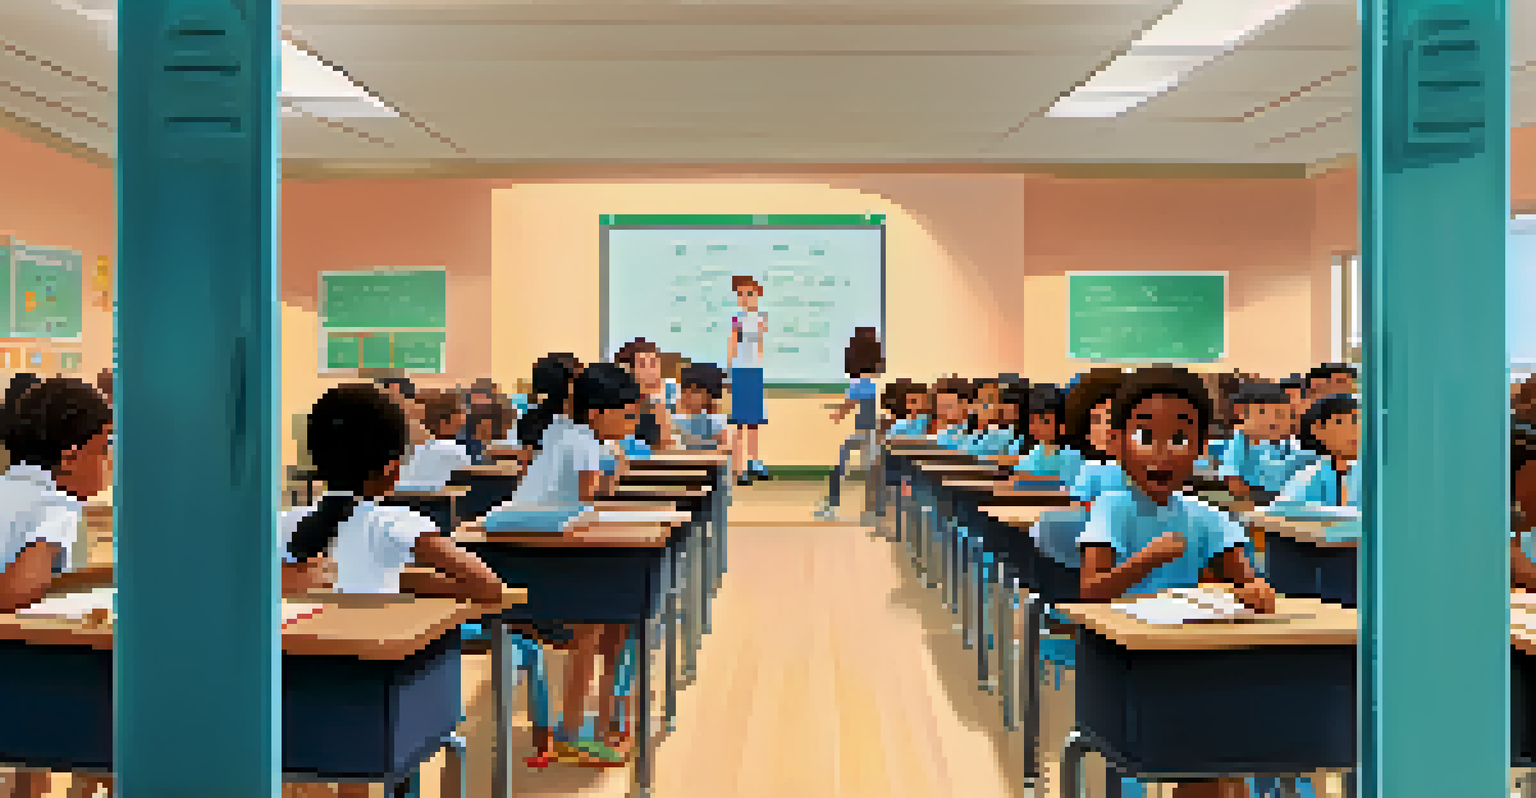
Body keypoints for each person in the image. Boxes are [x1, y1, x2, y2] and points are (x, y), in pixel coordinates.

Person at [279, 384, 507, 795]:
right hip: (368, 699)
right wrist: (411, 582)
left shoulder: (284, 523)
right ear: (392, 468)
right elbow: (487, 587)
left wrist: (378, 578)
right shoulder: (397, 522)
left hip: (284, 707)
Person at [1076, 366, 1274, 798]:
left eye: (1180, 440)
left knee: (1226, 741)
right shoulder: (1111, 507)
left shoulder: (1203, 514)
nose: (1161, 455)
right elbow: (1090, 591)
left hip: (1190, 652)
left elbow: (1244, 576)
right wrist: (1145, 561)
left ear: (1202, 446)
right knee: (1209, 743)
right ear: (1118, 442)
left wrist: (1254, 589)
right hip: (1125, 659)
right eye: (1146, 438)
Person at [819, 328, 884, 521]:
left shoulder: (859, 382)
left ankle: (834, 505)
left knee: (852, 468)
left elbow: (849, 403)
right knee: (870, 470)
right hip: (869, 432)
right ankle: (874, 509)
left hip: (868, 433)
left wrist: (837, 413)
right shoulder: (871, 381)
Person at [1272, 393, 1360, 509]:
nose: (1352, 429)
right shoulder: (1309, 478)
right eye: (1339, 422)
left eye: (1355, 420)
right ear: (1317, 429)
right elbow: (1283, 512)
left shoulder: (1372, 474)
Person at [727, 275, 769, 484]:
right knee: (740, 424)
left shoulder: (762, 318)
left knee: (754, 423)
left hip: (755, 373)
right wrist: (729, 369)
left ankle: (755, 463)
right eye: (741, 294)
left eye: (750, 294)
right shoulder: (737, 319)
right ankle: (739, 467)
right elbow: (733, 345)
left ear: (758, 294)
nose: (745, 298)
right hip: (741, 373)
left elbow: (760, 346)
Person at [394, 390, 473, 492]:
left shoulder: (405, 448)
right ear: (444, 423)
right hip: (435, 505)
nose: (459, 433)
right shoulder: (454, 450)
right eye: (458, 427)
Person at [672, 362, 730, 451]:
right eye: (683, 390)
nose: (687, 395)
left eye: (694, 391)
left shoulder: (718, 424)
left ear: (709, 396)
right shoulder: (675, 422)